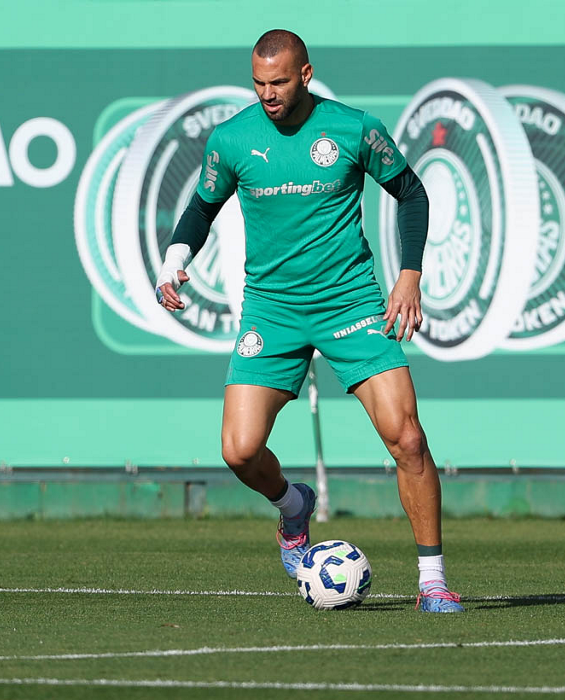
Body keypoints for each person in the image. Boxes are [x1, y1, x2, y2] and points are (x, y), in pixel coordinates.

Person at [155, 29, 462, 612]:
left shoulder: (354, 129)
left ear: (305, 74)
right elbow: (201, 207)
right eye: (258, 83)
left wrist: (410, 276)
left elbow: (412, 194)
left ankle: (433, 582)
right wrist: (174, 261)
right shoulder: (232, 138)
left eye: (278, 82)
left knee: (408, 438)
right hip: (272, 309)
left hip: (351, 303)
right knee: (239, 451)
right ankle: (293, 505)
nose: (267, 94)